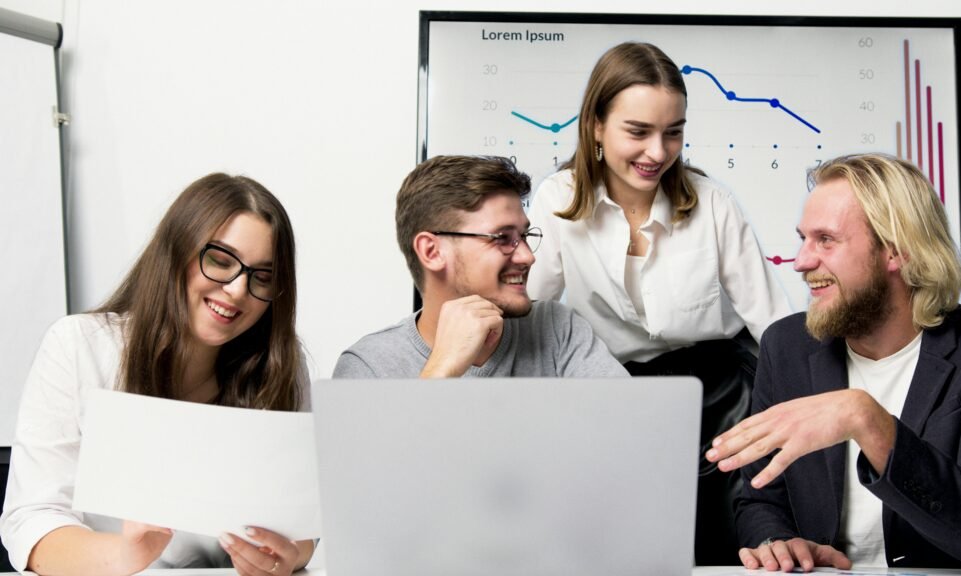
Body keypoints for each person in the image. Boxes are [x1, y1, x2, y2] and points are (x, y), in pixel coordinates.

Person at [526, 41, 791, 564]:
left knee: (726, 553)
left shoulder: (713, 202)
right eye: (638, 131)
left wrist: (821, 407)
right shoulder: (557, 199)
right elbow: (528, 312)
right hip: (607, 400)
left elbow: (775, 323)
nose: (658, 152)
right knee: (617, 556)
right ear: (596, 125)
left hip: (718, 401)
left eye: (674, 132)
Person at [706, 153, 961, 572]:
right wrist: (779, 544)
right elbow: (760, 499)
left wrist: (867, 420)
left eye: (826, 240)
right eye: (803, 238)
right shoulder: (787, 346)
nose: (801, 262)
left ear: (897, 251)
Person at [0, 174, 315, 576]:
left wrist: (289, 556)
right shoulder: (79, 346)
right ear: (175, 253)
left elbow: (302, 525)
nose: (238, 290)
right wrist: (126, 557)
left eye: (263, 277)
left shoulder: (281, 365)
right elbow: (31, 522)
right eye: (220, 260)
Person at [334, 155, 627, 380]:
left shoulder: (557, 328)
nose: (527, 256)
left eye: (524, 236)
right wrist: (442, 369)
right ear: (432, 251)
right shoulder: (369, 366)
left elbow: (633, 435)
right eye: (502, 238)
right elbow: (379, 461)